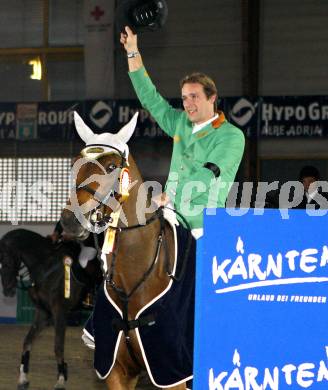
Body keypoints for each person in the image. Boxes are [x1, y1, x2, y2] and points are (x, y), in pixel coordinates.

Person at [120, 26, 245, 239]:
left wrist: (170, 195)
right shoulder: (180, 122)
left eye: (194, 96)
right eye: (185, 97)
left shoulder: (231, 136)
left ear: (212, 97)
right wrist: (133, 52)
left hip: (203, 223)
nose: (188, 103)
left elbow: (209, 173)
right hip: (170, 213)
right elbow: (150, 98)